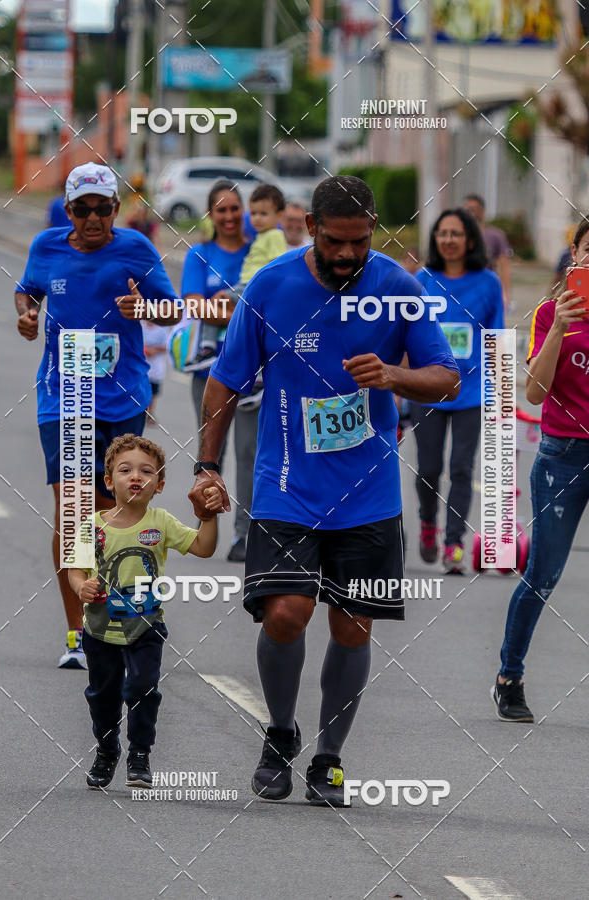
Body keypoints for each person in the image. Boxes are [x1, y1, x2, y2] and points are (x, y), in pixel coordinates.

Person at [188, 175, 459, 806]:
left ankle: (329, 758)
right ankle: (280, 736)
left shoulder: (397, 287)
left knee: (353, 626)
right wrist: (208, 466)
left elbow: (447, 377)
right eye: (336, 242)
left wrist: (394, 375)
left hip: (367, 494)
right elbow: (224, 383)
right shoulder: (272, 286)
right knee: (286, 613)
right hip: (286, 486)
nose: (347, 256)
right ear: (311, 227)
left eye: (360, 243)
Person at [15, 161, 177, 670]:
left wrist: (143, 310)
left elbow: (172, 310)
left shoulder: (136, 249)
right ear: (67, 211)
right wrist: (27, 311)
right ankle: (76, 634)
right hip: (63, 399)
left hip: (122, 398)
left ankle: (114, 611)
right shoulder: (47, 247)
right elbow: (28, 288)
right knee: (74, 509)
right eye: (81, 210)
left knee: (113, 512)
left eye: (101, 210)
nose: (91, 220)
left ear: (115, 208)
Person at [68, 434, 221, 790]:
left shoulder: (161, 522)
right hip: (100, 628)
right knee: (102, 695)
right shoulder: (94, 526)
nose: (135, 477)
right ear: (109, 482)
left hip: (146, 626)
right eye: (125, 470)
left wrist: (208, 517)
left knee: (143, 687)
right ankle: (106, 750)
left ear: (160, 485)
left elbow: (203, 547)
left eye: (146, 471)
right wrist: (81, 587)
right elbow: (75, 568)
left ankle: (140, 754)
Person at [492, 220, 589, 723]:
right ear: (574, 252)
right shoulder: (553, 311)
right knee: (543, 574)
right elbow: (533, 392)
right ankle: (510, 677)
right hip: (563, 456)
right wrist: (558, 329)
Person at [411, 208, 504, 574]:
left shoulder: (488, 282)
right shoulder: (422, 280)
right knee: (429, 470)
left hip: (472, 391)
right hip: (427, 388)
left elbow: (496, 337)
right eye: (442, 233)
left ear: (470, 240)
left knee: (462, 468)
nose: (448, 240)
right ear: (435, 239)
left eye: (456, 233)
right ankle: (428, 524)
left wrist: (499, 392)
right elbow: (406, 334)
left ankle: (454, 544)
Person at [180, 180, 256, 564]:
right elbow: (195, 307)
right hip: (209, 373)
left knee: (249, 452)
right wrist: (243, 314)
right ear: (211, 215)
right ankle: (206, 524)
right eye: (221, 210)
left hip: (255, 374)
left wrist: (224, 311)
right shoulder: (200, 255)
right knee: (212, 451)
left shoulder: (258, 248)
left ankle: (244, 535)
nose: (229, 216)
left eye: (234, 208)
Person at [193, 184, 287, 366]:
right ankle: (208, 348)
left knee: (217, 301)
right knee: (216, 303)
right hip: (247, 285)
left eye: (263, 214)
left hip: (253, 286)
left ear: (279, 215)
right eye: (254, 214)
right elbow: (194, 306)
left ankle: (207, 348)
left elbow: (279, 265)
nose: (257, 219)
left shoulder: (274, 235)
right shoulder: (261, 235)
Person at [464, 194, 512, 308]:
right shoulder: (458, 237)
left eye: (473, 209)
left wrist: (505, 293)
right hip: (465, 288)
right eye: (467, 209)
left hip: (486, 289)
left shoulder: (495, 235)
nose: (470, 213)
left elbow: (504, 264)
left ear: (482, 211)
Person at [141, 320, 169, 424]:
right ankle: (140, 413)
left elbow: (167, 345)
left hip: (156, 368)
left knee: (152, 393)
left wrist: (154, 350)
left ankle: (149, 414)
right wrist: (145, 349)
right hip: (142, 366)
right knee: (141, 391)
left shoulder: (162, 329)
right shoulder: (141, 326)